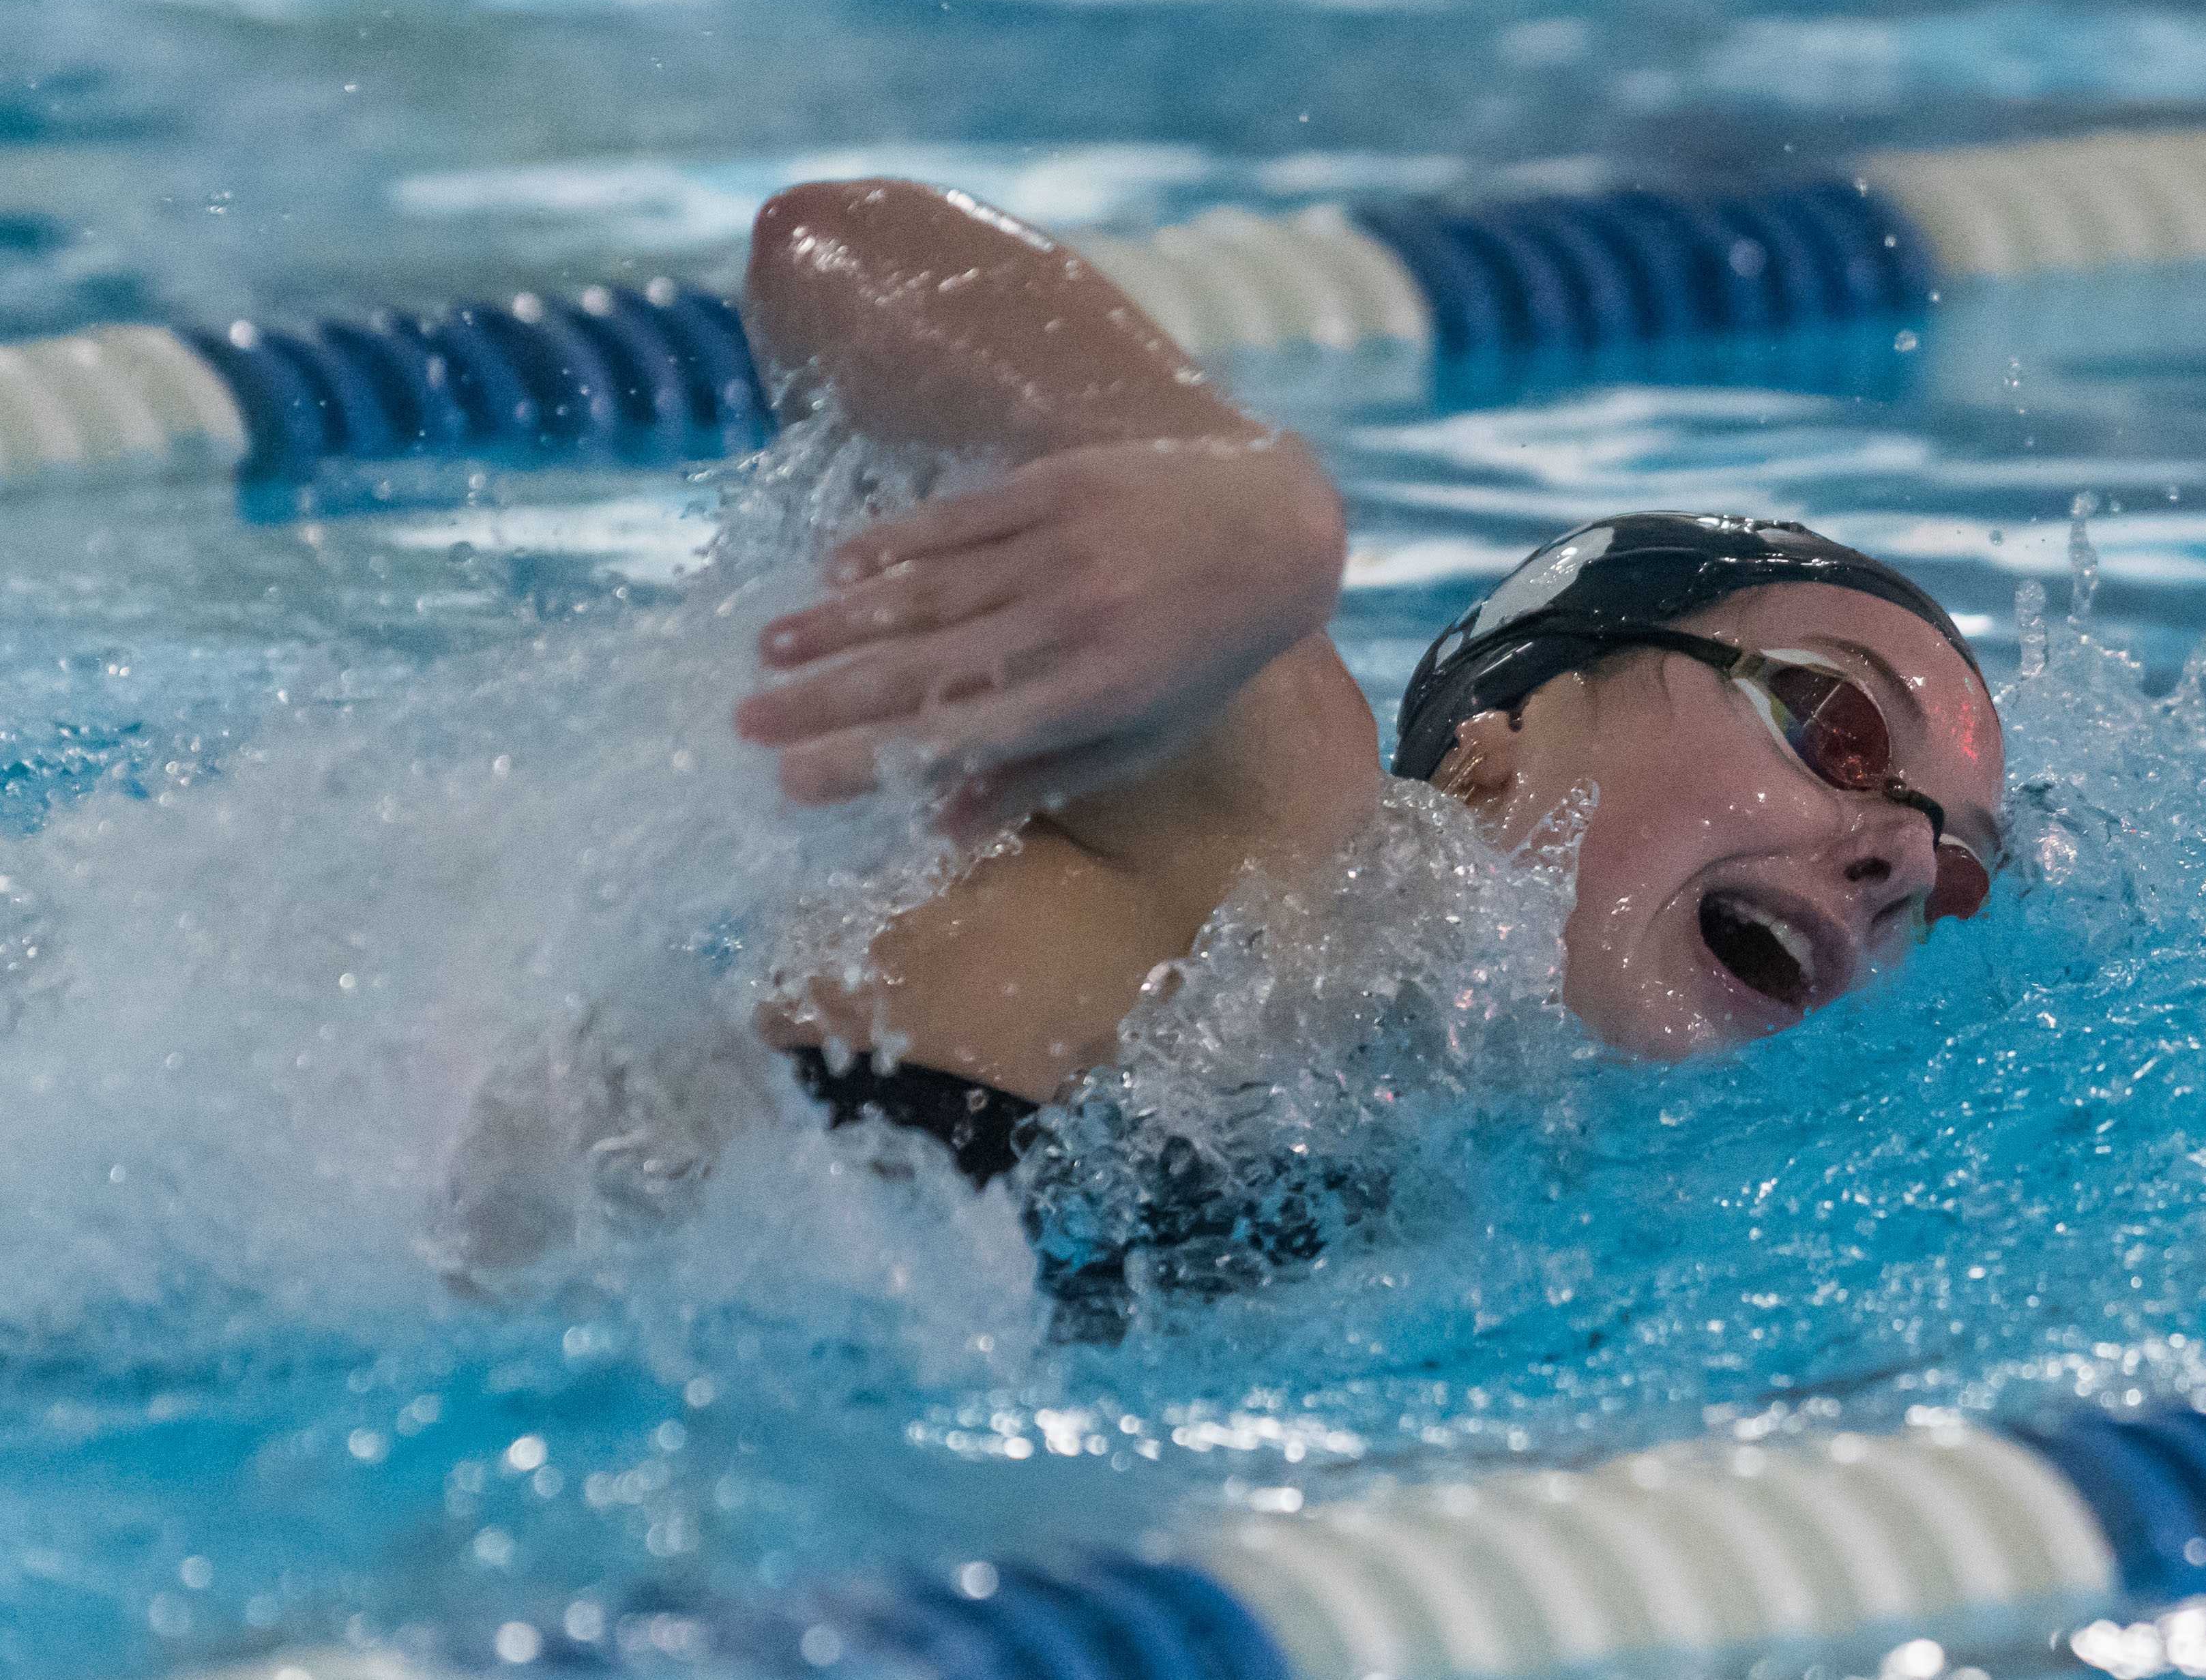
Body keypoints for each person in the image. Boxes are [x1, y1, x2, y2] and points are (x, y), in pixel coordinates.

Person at [733, 179, 2008, 1193]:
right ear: (1497, 743)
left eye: (1952, 872)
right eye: (1832, 727)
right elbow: (828, 245)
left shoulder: (1457, 1155)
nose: (1899, 855)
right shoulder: (1285, 824)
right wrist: (1252, 511)